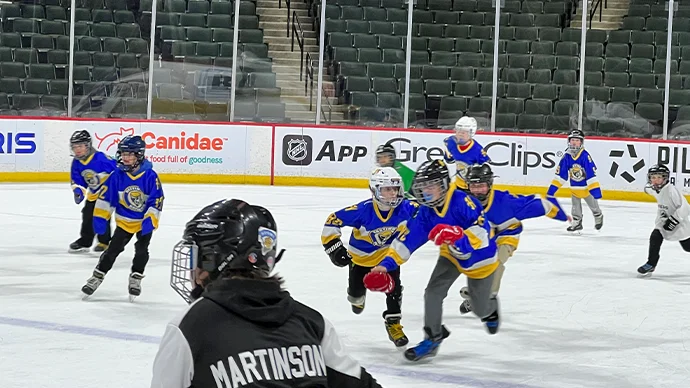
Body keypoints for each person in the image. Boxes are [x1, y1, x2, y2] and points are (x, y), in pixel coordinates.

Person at [153, 199, 384, 388]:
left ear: (217, 259)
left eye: (197, 256)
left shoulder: (189, 327)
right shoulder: (313, 323)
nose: (193, 269)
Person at [370, 159, 499, 362]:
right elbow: (407, 240)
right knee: (432, 293)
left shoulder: (464, 202)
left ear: (444, 185)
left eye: (430, 186)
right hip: (451, 255)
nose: (425, 192)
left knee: (480, 308)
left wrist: (458, 235)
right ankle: (433, 337)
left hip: (480, 260)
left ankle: (490, 307)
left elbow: (482, 237)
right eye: (422, 187)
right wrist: (385, 265)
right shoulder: (426, 212)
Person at [322, 167, 418, 347]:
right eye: (387, 189)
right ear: (375, 190)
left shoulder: (407, 208)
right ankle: (357, 297)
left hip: (387, 259)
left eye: (395, 189)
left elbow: (428, 215)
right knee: (356, 297)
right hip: (359, 260)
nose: (392, 193)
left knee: (394, 289)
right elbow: (332, 220)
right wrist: (334, 248)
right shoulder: (362, 210)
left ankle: (394, 323)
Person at [458, 163, 570, 314]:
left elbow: (541, 204)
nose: (477, 190)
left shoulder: (506, 203)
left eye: (481, 185)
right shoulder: (464, 203)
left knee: (495, 264)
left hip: (507, 236)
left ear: (490, 184)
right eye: (473, 186)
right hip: (483, 239)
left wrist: (561, 215)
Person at [81, 135, 164, 301]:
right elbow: (106, 198)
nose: (124, 158)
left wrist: (150, 219)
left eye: (129, 154)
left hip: (143, 223)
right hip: (125, 221)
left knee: (142, 250)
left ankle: (135, 278)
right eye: (123, 154)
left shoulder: (150, 176)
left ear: (139, 155)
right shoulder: (117, 175)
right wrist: (100, 217)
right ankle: (97, 276)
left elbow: (156, 199)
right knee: (112, 250)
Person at [68, 129, 116, 253]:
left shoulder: (101, 159)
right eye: (74, 147)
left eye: (80, 146)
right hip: (94, 193)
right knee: (87, 215)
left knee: (101, 215)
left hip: (108, 193)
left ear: (88, 145)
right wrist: (78, 190)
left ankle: (104, 242)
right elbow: (77, 179)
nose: (77, 149)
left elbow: (118, 171)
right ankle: (85, 240)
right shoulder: (77, 162)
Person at [546, 129, 603, 233]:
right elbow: (561, 175)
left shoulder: (585, 156)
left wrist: (595, 191)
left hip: (586, 189)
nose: (574, 142)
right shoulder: (567, 156)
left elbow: (591, 174)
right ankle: (577, 222)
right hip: (574, 188)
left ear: (581, 142)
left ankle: (598, 215)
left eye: (577, 140)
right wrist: (552, 190)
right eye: (572, 140)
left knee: (593, 206)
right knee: (575, 206)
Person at [638, 164, 690, 276]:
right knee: (655, 237)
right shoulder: (656, 188)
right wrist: (647, 189)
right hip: (662, 223)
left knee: (688, 247)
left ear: (665, 178)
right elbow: (650, 189)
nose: (655, 180)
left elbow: (685, 207)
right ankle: (651, 263)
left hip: (680, 225)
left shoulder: (671, 190)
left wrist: (673, 221)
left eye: (658, 177)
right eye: (653, 177)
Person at [442, 116, 490, 190]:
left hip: (472, 188)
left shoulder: (477, 150)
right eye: (458, 131)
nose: (460, 134)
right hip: (458, 185)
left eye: (463, 132)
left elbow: (485, 169)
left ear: (471, 133)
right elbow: (449, 160)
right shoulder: (451, 143)